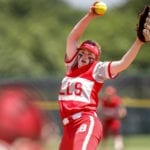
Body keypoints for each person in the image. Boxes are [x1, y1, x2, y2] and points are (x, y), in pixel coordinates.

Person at [58, 3, 147, 150]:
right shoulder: (70, 66)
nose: (85, 55)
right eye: (83, 51)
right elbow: (72, 37)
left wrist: (138, 42)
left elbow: (123, 63)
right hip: (68, 128)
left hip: (85, 122)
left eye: (90, 54)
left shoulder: (96, 69)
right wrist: (90, 16)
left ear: (95, 59)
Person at [99, 86, 127, 150]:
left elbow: (122, 110)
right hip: (106, 120)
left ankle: (118, 147)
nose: (109, 96)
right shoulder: (104, 100)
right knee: (104, 134)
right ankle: (103, 147)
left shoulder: (117, 100)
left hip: (114, 119)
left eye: (110, 95)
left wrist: (122, 114)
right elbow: (100, 110)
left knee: (116, 131)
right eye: (108, 94)